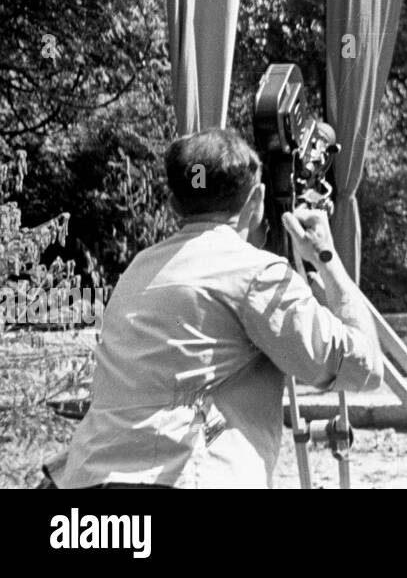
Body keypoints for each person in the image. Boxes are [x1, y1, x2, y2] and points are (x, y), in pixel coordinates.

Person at [48, 128, 384, 488]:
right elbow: (362, 367)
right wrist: (327, 260)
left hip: (87, 486)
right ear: (256, 199)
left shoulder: (137, 270)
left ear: (174, 205)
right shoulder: (256, 274)